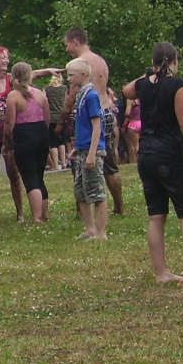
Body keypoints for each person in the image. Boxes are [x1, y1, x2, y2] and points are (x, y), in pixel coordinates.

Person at [123, 42, 183, 286]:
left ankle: (161, 272)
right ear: (175, 60)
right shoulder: (178, 86)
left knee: (156, 216)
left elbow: (126, 90)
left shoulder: (143, 85)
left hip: (147, 154)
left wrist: (149, 74)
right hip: (171, 154)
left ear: (153, 63)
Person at [63, 28, 124, 215]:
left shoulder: (80, 65)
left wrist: (61, 119)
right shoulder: (100, 61)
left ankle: (83, 210)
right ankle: (119, 206)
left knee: (81, 162)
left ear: (75, 42)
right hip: (106, 111)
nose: (66, 49)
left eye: (67, 45)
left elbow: (73, 94)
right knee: (110, 164)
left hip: (89, 116)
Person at [4, 62, 51, 224]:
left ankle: (37, 217)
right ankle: (45, 214)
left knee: (30, 177)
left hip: (24, 137)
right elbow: (47, 118)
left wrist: (7, 142)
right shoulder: (40, 94)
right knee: (39, 176)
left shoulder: (13, 96)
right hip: (41, 135)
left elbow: (9, 124)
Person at [67, 59, 109, 241]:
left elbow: (96, 126)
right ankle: (90, 228)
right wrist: (78, 147)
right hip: (83, 149)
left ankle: (101, 232)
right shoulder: (80, 95)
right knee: (81, 190)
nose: (68, 78)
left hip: (93, 150)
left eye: (71, 75)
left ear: (83, 75)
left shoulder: (91, 96)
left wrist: (92, 152)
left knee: (96, 191)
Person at [0, 47, 26, 223]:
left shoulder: (10, 79)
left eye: (7, 58)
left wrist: (48, 71)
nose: (6, 61)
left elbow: (29, 75)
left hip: (9, 133)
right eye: (2, 58)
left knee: (14, 172)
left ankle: (20, 212)